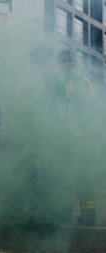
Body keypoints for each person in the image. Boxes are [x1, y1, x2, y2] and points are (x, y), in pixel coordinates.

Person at [55, 49, 97, 226]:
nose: (70, 65)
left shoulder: (80, 81)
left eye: (71, 61)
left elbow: (89, 107)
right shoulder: (63, 80)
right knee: (67, 175)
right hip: (68, 135)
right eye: (67, 62)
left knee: (82, 176)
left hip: (78, 136)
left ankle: (87, 214)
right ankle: (68, 212)